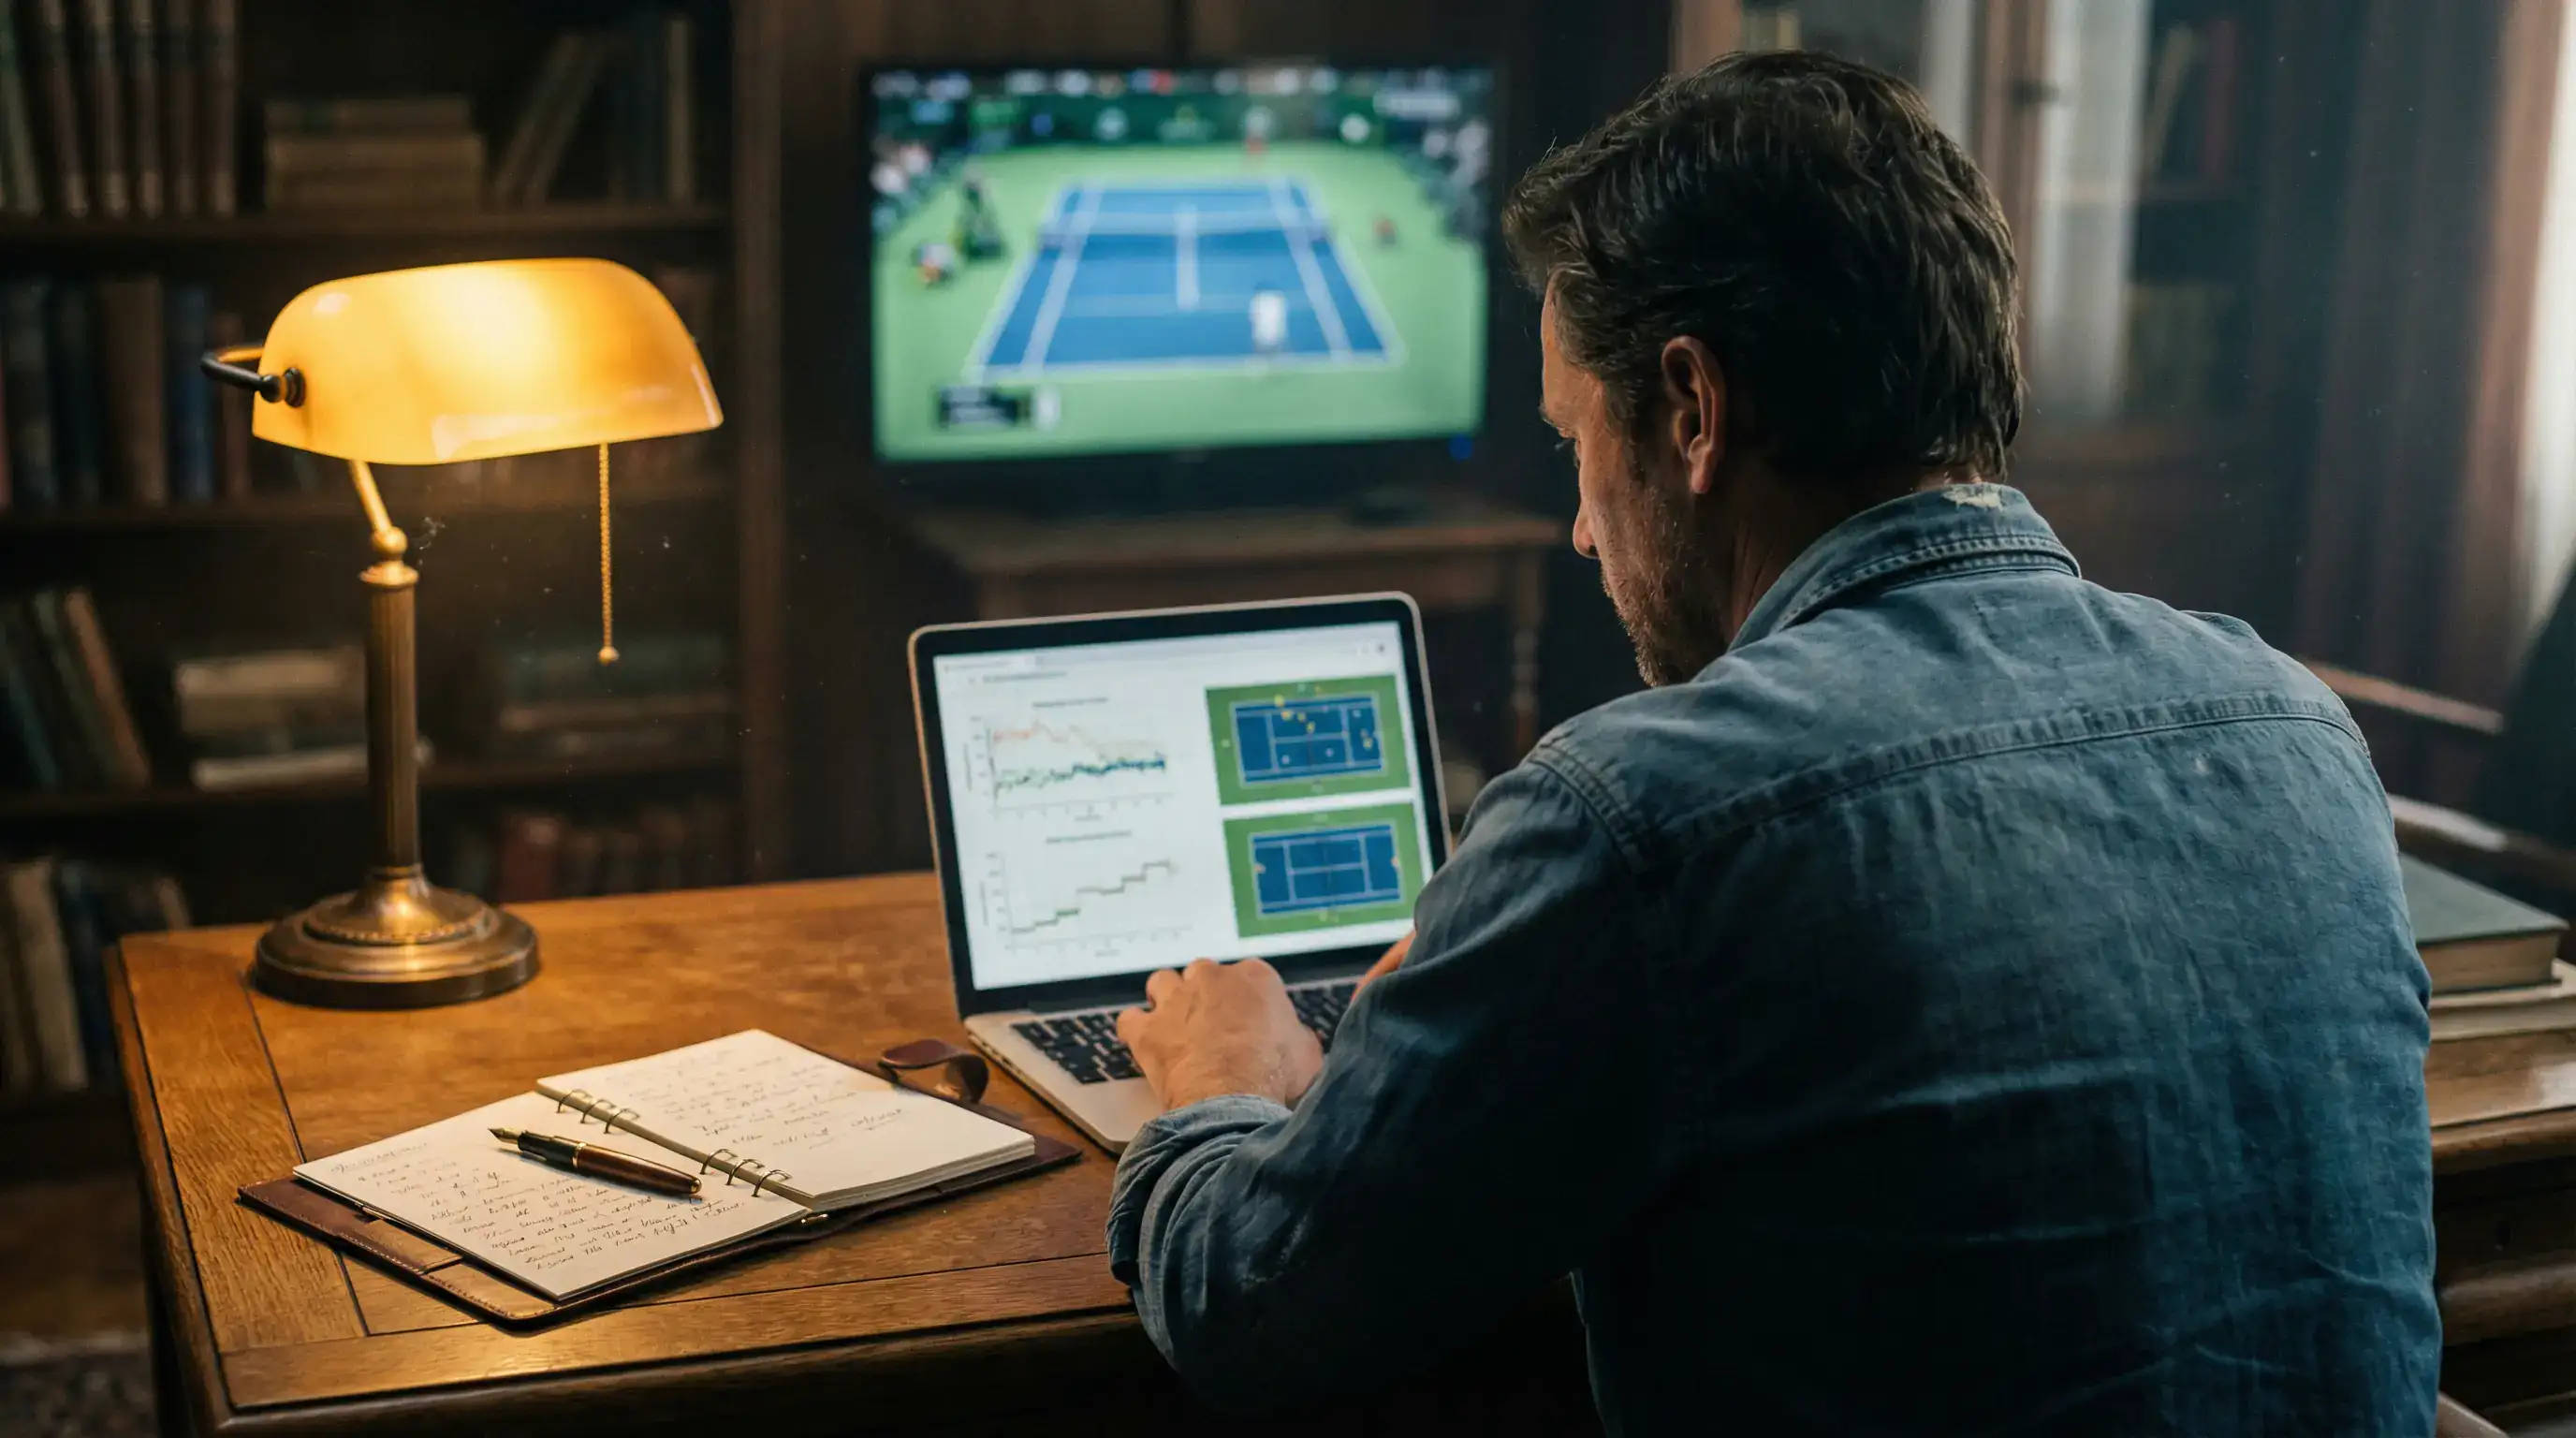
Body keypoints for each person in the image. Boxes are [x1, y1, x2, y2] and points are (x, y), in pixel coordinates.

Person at [1106, 51, 2439, 1436]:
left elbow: (1257, 1310)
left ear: (1690, 410)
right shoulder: (2298, 726)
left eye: (1575, 441)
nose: (1577, 525)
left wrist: (1222, 1083)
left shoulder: (1635, 815)